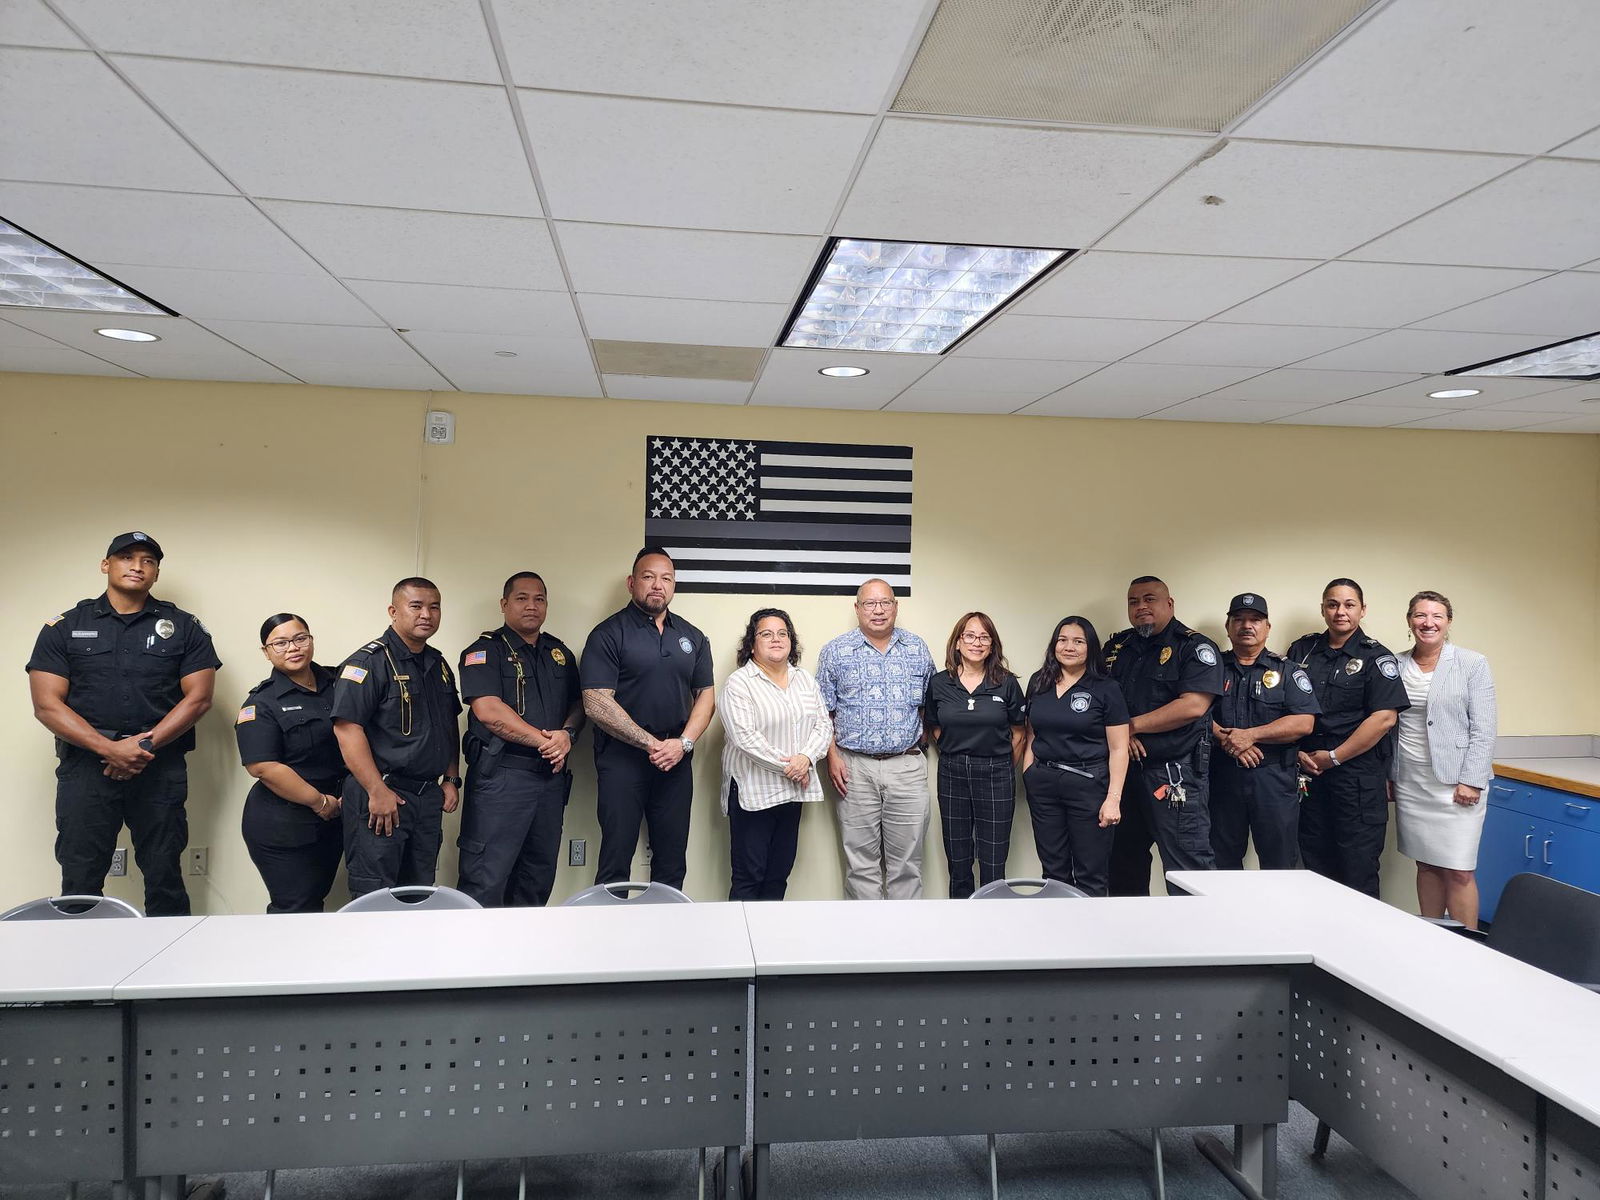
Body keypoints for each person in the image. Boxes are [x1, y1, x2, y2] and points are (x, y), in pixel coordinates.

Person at [26, 532, 220, 916]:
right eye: (126, 557)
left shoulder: (183, 627)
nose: (137, 565)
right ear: (106, 565)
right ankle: (82, 969)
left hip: (159, 767)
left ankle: (170, 972)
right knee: (80, 877)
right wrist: (109, 749)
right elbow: (47, 705)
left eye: (148, 560)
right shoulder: (64, 627)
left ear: (156, 573)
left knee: (165, 873)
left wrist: (141, 748)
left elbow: (198, 698)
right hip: (86, 769)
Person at [581, 548, 715, 891]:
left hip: (676, 759)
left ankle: (664, 939)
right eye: (648, 576)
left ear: (674, 586)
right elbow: (596, 703)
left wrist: (682, 744)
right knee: (616, 857)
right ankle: (610, 940)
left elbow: (706, 697)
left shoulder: (693, 636)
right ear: (631, 582)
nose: (658, 585)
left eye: (666, 578)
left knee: (672, 860)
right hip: (622, 759)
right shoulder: (608, 634)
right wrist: (652, 744)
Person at [457, 572, 585, 907]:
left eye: (539, 599)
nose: (532, 606)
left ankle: (526, 956)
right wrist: (545, 741)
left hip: (550, 781)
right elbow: (488, 711)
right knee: (487, 879)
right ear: (504, 604)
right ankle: (481, 959)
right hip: (501, 779)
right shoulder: (484, 651)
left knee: (537, 878)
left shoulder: (559, 653)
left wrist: (567, 734)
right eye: (522, 598)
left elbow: (578, 704)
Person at [332, 578, 462, 898]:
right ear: (393, 611)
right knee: (376, 893)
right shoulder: (368, 663)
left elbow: (447, 725)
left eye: (434, 607)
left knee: (418, 893)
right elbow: (347, 730)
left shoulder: (438, 664)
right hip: (382, 794)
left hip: (426, 796)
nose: (426, 615)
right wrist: (377, 791)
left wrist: (451, 778)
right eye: (415, 606)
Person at [1288, 578, 1409, 899]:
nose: (1340, 612)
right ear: (1324, 609)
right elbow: (1286, 705)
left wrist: (1335, 756)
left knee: (1357, 872)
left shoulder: (1377, 658)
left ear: (1362, 610)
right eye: (1333, 604)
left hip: (1356, 782)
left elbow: (1384, 718)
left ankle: (1361, 946)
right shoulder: (1303, 650)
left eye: (1349, 604)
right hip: (1310, 778)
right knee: (1314, 868)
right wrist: (1299, 752)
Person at [815, 578, 935, 900]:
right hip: (853, 769)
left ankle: (904, 942)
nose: (878, 610)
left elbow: (930, 705)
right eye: (870, 603)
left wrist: (915, 745)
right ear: (857, 608)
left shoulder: (917, 648)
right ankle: (866, 941)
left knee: (907, 863)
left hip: (906, 768)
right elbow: (822, 712)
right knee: (861, 865)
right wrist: (833, 757)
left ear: (896, 607)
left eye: (885, 603)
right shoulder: (835, 652)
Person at [1104, 576, 1224, 895]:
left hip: (1175, 774)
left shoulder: (1194, 647)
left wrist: (1130, 726)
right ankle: (1132, 939)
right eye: (1133, 602)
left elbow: (1193, 706)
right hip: (1124, 773)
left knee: (1187, 867)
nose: (1141, 606)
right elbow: (1102, 701)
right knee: (1123, 863)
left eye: (1149, 599)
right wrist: (1122, 736)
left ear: (1169, 604)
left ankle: (1198, 943)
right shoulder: (1118, 648)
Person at [1391, 591, 1498, 928]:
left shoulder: (1472, 663)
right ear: (1410, 621)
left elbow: (1484, 727)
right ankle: (1432, 936)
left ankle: (1468, 946)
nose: (1428, 622)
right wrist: (1389, 774)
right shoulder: (1394, 664)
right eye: (1421, 615)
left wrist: (1472, 779)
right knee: (1426, 865)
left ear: (1448, 622)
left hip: (1456, 783)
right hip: (1411, 779)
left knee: (1459, 870)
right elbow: (1386, 724)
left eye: (1437, 616)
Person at [719, 608, 833, 901]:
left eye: (782, 633)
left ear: (791, 641)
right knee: (749, 877)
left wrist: (806, 758)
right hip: (753, 793)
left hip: (792, 792)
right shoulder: (739, 683)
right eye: (766, 634)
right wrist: (792, 765)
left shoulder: (805, 681)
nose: (776, 639)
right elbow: (745, 737)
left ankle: (770, 943)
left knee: (777, 876)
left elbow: (823, 725)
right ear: (752, 643)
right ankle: (742, 945)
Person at [235, 614, 346, 913]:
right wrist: (320, 802)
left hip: (334, 817)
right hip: (284, 824)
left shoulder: (340, 683)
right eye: (280, 643)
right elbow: (263, 767)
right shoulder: (260, 703)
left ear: (311, 640)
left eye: (300, 638)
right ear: (266, 651)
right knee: (295, 907)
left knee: (315, 901)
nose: (293, 648)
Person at [1209, 594, 1319, 871]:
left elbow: (1304, 722)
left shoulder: (1288, 671)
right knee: (1221, 863)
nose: (1247, 626)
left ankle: (1277, 916)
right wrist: (1228, 739)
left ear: (1267, 627)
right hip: (1220, 778)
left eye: (1256, 620)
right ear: (1228, 626)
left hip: (1273, 779)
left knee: (1279, 863)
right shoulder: (1210, 670)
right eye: (1239, 620)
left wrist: (1251, 736)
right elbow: (1195, 711)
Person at [1021, 616, 1129, 896]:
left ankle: (1089, 937)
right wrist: (1028, 772)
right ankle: (1058, 935)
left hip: (1088, 786)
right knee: (1053, 872)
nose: (1069, 647)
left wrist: (1113, 799)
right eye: (1063, 640)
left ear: (1090, 647)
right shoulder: (1039, 682)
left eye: (1078, 641)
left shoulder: (1106, 688)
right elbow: (1032, 733)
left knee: (1090, 873)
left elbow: (1119, 748)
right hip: (1043, 785)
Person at [924, 612, 1026, 897]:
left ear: (992, 645)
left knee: (994, 860)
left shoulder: (1006, 683)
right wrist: (956, 747)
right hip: (952, 772)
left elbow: (1019, 733)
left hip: (996, 773)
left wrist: (1001, 764)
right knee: (958, 858)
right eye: (969, 636)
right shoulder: (940, 683)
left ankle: (994, 926)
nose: (976, 643)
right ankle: (962, 925)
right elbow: (933, 725)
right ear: (957, 643)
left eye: (984, 637)